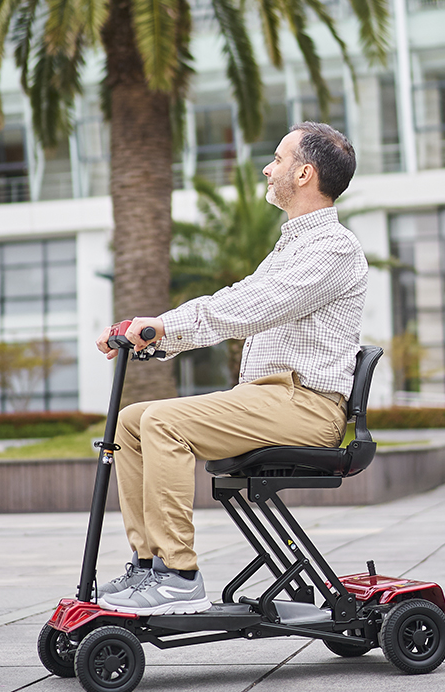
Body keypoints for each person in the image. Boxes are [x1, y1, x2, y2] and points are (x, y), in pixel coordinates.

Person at [94, 121, 368, 615]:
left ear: (305, 173)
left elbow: (250, 307)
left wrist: (161, 326)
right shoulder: (292, 245)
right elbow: (238, 298)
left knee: (162, 422)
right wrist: (155, 341)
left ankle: (179, 575)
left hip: (305, 405)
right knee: (133, 419)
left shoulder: (333, 248)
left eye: (278, 159)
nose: (268, 167)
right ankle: (148, 564)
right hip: (267, 399)